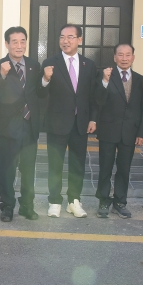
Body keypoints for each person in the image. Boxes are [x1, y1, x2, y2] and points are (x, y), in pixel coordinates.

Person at [40, 24, 98, 219]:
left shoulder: (89, 65)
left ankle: (74, 201)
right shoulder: (50, 63)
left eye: (70, 37)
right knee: (55, 164)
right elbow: (41, 93)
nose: (65, 41)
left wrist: (93, 119)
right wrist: (45, 79)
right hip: (57, 122)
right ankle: (54, 201)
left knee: (77, 164)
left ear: (79, 40)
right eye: (62, 37)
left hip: (80, 123)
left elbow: (92, 96)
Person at [0, 26, 45, 222]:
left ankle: (27, 206)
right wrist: (2, 75)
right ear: (7, 44)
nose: (19, 46)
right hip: (7, 128)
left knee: (28, 170)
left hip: (29, 126)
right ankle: (7, 206)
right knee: (7, 170)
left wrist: (46, 80)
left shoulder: (34, 65)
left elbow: (39, 93)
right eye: (15, 42)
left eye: (23, 41)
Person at [94, 44, 143, 219]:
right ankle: (103, 201)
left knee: (124, 169)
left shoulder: (140, 80)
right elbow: (98, 101)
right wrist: (104, 81)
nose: (124, 58)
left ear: (133, 57)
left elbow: (142, 108)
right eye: (121, 55)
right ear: (115, 57)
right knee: (105, 168)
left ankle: (120, 202)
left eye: (128, 55)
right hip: (108, 130)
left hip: (130, 132)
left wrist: (141, 133)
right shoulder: (105, 76)